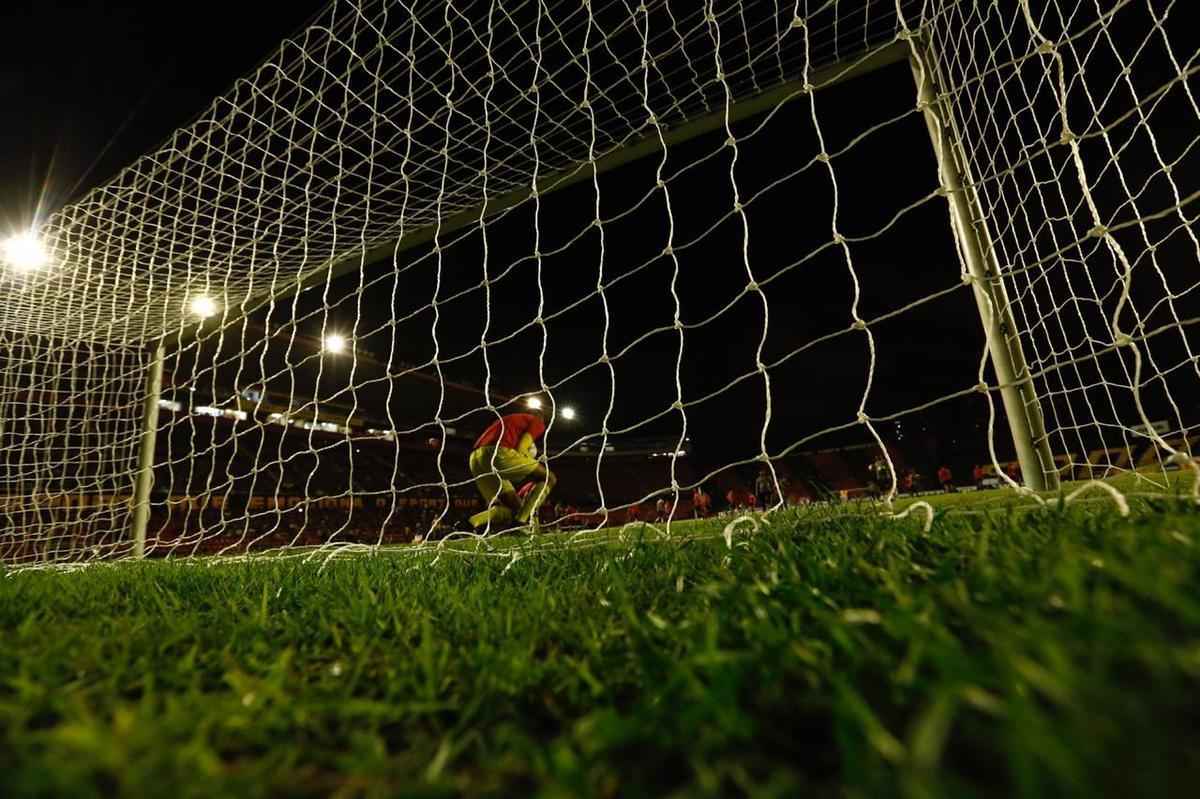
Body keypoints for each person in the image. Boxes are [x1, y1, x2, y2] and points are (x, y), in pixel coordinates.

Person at [467, 411, 555, 531]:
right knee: (549, 477)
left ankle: (472, 522)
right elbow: (522, 447)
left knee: (515, 506)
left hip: (475, 459)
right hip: (498, 453)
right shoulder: (537, 421)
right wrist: (529, 460)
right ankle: (521, 523)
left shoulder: (507, 420)